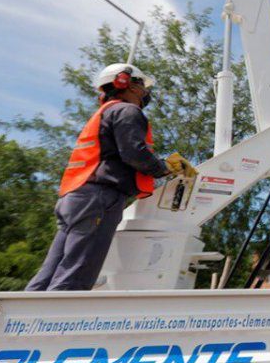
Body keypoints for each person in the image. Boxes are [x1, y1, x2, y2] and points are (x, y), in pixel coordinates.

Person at [26, 63, 198, 291]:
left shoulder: (104, 113)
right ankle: (52, 323)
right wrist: (163, 168)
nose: (146, 93)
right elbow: (133, 152)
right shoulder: (127, 111)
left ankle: (22, 320)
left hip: (76, 196)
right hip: (99, 197)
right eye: (143, 86)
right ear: (132, 86)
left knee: (51, 271)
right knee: (77, 272)